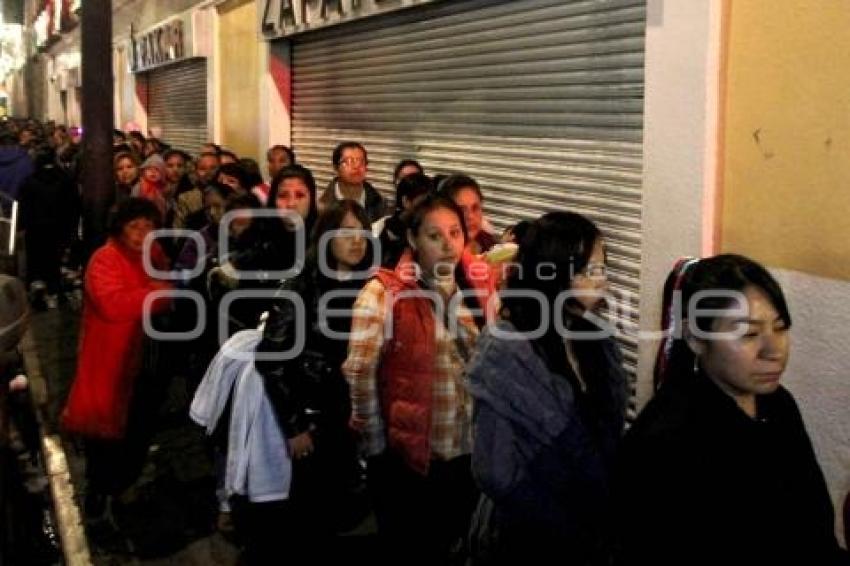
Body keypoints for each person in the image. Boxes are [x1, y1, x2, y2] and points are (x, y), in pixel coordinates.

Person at [614, 254, 846, 565]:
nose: (773, 351)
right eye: (749, 334)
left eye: (780, 327)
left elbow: (814, 529)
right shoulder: (666, 443)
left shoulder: (778, 405)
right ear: (696, 337)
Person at [467, 211, 627, 566]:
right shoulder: (508, 350)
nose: (602, 281)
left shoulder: (594, 338)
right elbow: (495, 469)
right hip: (526, 536)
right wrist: (564, 525)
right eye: (589, 270)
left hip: (590, 525)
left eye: (603, 267)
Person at [343, 195, 493, 565]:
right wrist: (377, 449)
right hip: (411, 459)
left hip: (465, 450)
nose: (447, 246)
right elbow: (360, 373)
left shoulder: (470, 291)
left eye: (455, 233)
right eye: (434, 235)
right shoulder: (383, 293)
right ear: (412, 239)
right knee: (414, 546)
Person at [250, 200, 374, 563]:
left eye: (361, 232)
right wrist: (294, 424)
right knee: (309, 510)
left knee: (344, 503)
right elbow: (271, 357)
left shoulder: (371, 285)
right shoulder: (301, 284)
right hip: (314, 414)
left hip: (353, 413)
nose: (356, 241)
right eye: (345, 232)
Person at [61, 198, 172, 519]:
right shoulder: (104, 258)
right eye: (134, 226)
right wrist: (157, 292)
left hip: (148, 357)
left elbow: (164, 290)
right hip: (111, 361)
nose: (142, 234)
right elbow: (113, 304)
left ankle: (125, 487)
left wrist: (152, 292)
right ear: (120, 227)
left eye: (149, 226)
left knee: (140, 426)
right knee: (105, 435)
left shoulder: (155, 254)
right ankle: (99, 494)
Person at [318, 141, 386, 222]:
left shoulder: (379, 203)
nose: (356, 166)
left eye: (361, 161)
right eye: (349, 162)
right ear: (336, 168)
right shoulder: (322, 206)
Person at [439, 174, 498, 254]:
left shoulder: (490, 244)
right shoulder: (439, 255)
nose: (470, 216)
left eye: (475, 208)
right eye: (461, 210)